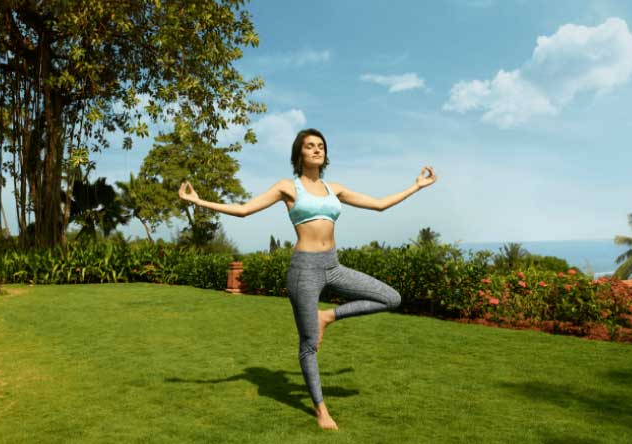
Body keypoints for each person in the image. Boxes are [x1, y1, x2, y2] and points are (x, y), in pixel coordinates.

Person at [178, 128, 437, 430]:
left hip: (333, 265)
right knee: (309, 345)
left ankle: (327, 316)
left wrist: (416, 186)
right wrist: (198, 201)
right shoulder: (288, 188)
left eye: (321, 146)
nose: (317, 150)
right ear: (299, 154)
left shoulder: (334, 189)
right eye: (310, 146)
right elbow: (244, 210)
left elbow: (379, 204)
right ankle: (320, 410)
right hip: (304, 270)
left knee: (391, 298)